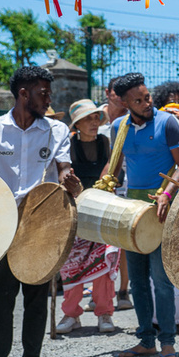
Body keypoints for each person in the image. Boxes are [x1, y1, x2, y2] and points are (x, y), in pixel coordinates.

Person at [0, 66, 82, 357]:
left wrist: (70, 181)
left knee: (36, 298)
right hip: (0, 225)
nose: (49, 99)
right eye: (43, 93)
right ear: (24, 94)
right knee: (1, 299)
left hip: (41, 224)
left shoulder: (56, 130)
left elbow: (64, 169)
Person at [106, 72, 179, 357]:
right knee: (138, 280)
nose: (146, 103)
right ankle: (145, 339)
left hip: (160, 209)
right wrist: (101, 190)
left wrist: (166, 194)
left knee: (161, 279)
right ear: (124, 102)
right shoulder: (118, 127)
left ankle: (168, 341)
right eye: (138, 100)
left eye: (147, 97)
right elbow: (114, 168)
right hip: (132, 211)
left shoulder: (168, 122)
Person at [56, 99, 119, 335]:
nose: (93, 122)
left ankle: (104, 313)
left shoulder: (105, 143)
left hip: (101, 210)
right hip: (75, 212)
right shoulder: (68, 147)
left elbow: (114, 170)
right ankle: (71, 314)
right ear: (77, 124)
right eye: (87, 119)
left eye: (95, 118)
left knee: (104, 262)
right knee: (72, 264)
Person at [100, 76, 133, 311]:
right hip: (103, 188)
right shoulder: (96, 121)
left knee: (125, 241)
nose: (121, 98)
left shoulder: (133, 122)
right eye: (117, 93)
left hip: (128, 187)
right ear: (107, 93)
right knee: (103, 240)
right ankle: (101, 292)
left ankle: (123, 290)